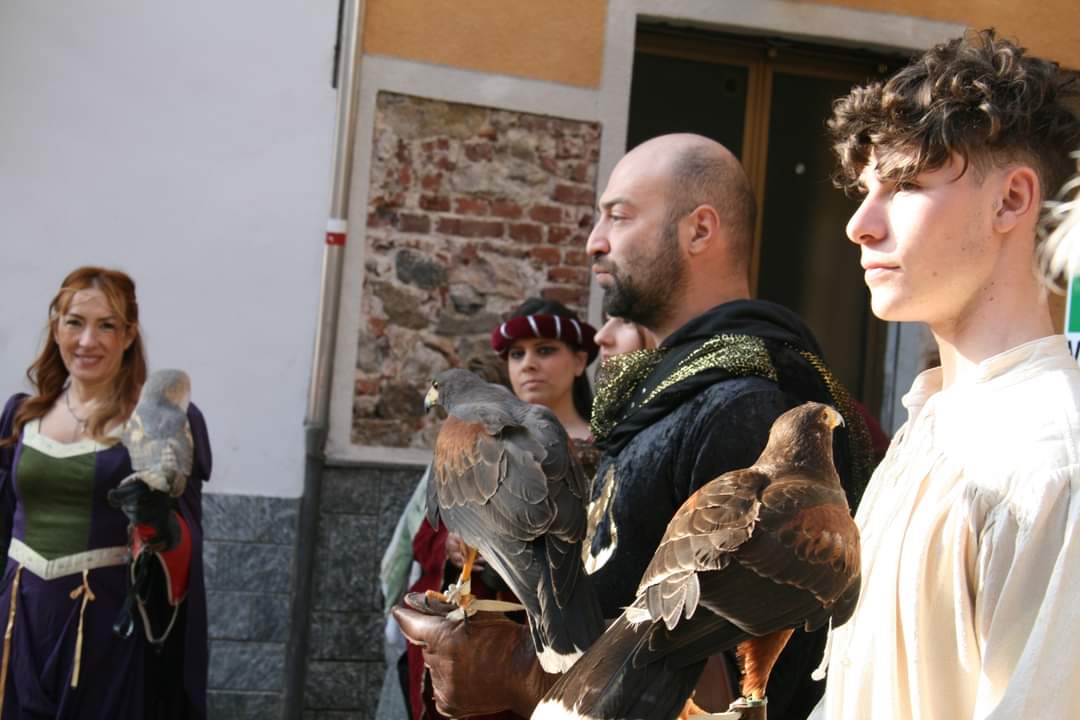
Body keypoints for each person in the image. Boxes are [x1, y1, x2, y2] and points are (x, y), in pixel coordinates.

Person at [395, 133, 875, 719]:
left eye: (618, 217)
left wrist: (518, 676)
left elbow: (737, 685)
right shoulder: (672, 392)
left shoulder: (746, 406)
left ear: (699, 230)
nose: (595, 241)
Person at [809, 30, 1080, 719]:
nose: (860, 225)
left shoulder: (1050, 463)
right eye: (865, 190)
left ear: (1011, 201)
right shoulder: (932, 424)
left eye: (903, 186)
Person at [0, 266, 212, 719]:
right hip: (19, 615)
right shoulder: (22, 416)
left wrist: (159, 524)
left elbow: (182, 547)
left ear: (129, 335)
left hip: (103, 626)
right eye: (75, 322)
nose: (87, 341)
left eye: (107, 326)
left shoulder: (157, 422)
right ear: (56, 327)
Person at [386, 297, 600, 720]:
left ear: (579, 361)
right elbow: (424, 536)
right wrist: (454, 545)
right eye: (517, 354)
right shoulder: (469, 432)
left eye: (545, 350)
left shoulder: (615, 441)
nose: (529, 364)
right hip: (489, 646)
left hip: (585, 622)